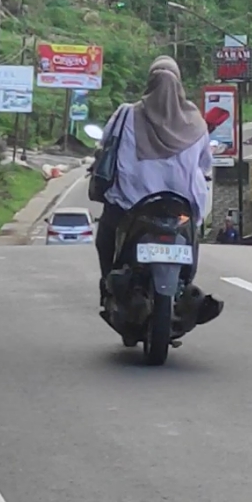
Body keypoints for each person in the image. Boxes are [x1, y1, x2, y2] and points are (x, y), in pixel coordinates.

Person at [96, 57, 221, 318]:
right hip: (180, 209)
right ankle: (185, 286)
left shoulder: (126, 114)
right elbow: (205, 164)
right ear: (179, 86)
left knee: (106, 235)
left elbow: (105, 143)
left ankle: (109, 286)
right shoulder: (196, 123)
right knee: (192, 238)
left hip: (131, 207)